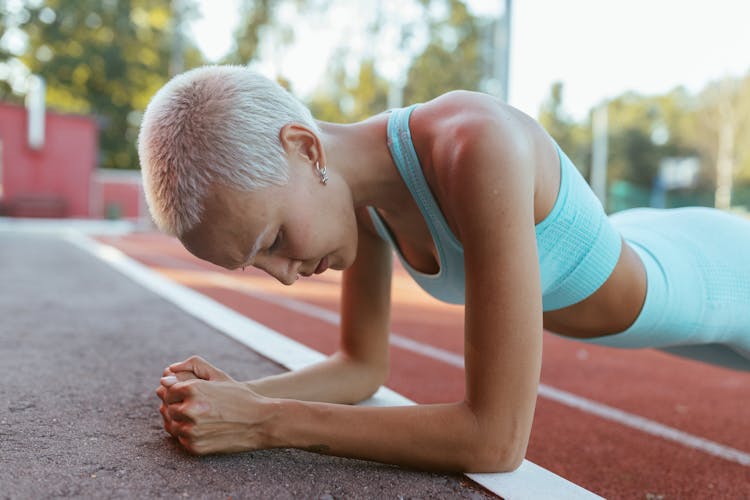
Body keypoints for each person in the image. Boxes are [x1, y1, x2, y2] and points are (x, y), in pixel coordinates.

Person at [139, 65, 750, 471]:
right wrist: (235, 398)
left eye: (272, 239)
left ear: (305, 149)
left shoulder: (474, 147)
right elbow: (360, 368)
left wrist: (265, 423)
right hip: (657, 245)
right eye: (257, 266)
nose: (285, 275)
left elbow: (494, 438)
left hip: (725, 279)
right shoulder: (358, 200)